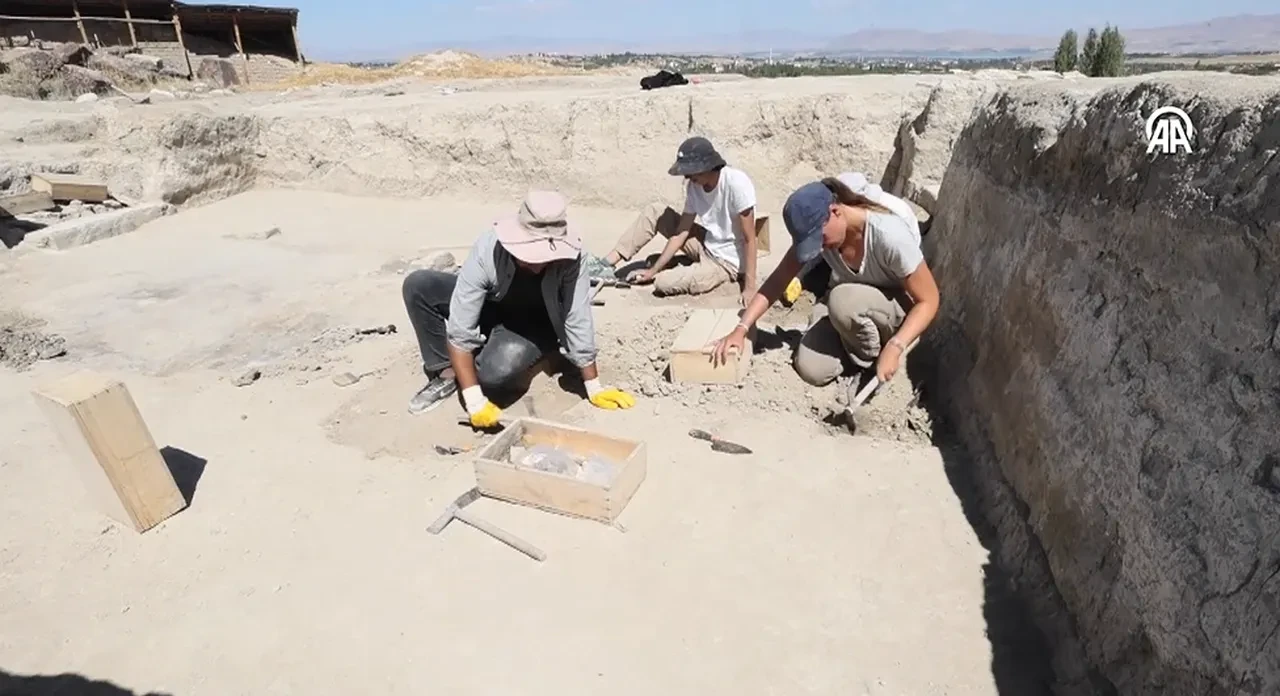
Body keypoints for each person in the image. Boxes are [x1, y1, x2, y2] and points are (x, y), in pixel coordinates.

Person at [400, 190, 636, 427]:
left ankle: (540, 354)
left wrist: (593, 387)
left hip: (537, 321)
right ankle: (447, 372)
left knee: (493, 377)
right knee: (419, 286)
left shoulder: (574, 259)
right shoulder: (488, 248)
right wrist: (474, 402)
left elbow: (578, 317)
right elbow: (461, 330)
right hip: (492, 305)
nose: (538, 263)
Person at [709, 177, 940, 396]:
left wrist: (896, 345)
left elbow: (929, 300)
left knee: (842, 300)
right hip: (853, 311)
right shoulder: (828, 235)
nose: (819, 247)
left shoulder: (889, 235)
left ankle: (875, 359)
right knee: (811, 367)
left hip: (893, 312)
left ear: (835, 212)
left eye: (819, 239)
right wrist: (742, 328)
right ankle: (859, 352)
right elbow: (779, 280)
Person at [583, 136, 760, 306]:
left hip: (726, 263)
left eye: (690, 173)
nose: (687, 179)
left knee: (662, 283)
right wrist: (653, 270)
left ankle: (675, 266)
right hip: (706, 242)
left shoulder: (736, 183)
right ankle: (605, 264)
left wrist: (750, 287)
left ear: (705, 167)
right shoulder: (694, 187)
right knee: (656, 211)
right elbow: (680, 233)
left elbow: (750, 238)